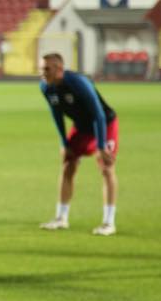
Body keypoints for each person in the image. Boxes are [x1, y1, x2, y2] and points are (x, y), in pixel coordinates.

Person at [37, 53, 118, 236]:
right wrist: (64, 143)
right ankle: (61, 218)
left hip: (105, 124)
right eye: (41, 69)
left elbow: (98, 113)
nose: (43, 73)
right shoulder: (45, 87)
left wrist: (101, 145)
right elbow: (56, 114)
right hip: (81, 128)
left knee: (106, 167)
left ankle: (108, 222)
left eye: (47, 69)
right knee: (68, 165)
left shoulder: (78, 83)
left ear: (59, 69)